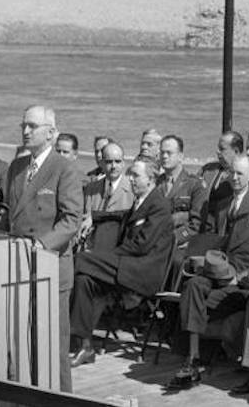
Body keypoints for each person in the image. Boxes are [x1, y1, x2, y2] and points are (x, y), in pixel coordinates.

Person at [169, 170, 249, 390]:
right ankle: (194, 356)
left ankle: (194, 361)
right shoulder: (242, 219)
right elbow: (225, 250)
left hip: (244, 285)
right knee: (193, 284)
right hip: (220, 274)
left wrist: (238, 278)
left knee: (197, 302)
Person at [5, 105, 83, 392]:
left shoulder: (65, 169)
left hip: (50, 267)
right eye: (23, 125)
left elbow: (71, 219)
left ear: (50, 133)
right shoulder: (15, 168)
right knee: (20, 341)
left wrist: (41, 244)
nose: (25, 131)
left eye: (32, 126)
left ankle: (62, 398)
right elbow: (8, 214)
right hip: (16, 265)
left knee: (53, 344)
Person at [70, 157, 173, 367]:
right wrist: (95, 217)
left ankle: (59, 305)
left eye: (136, 175)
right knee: (83, 279)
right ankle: (85, 346)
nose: (130, 179)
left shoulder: (159, 205)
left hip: (142, 272)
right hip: (126, 266)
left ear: (151, 179)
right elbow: (120, 215)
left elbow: (141, 246)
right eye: (130, 174)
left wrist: (112, 255)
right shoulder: (140, 201)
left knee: (81, 259)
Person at [77, 142, 134, 245]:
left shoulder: (133, 190)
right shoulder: (91, 188)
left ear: (123, 163)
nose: (113, 166)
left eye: (117, 161)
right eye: (109, 162)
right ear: (101, 163)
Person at [158, 134, 207, 246]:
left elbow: (196, 224)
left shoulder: (194, 184)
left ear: (180, 156)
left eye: (169, 153)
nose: (164, 156)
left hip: (180, 243)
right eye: (162, 152)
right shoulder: (156, 184)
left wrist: (173, 239)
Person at [198, 130, 243, 234]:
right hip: (203, 225)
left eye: (222, 149)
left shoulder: (244, 176)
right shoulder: (208, 169)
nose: (217, 151)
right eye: (218, 148)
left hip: (223, 229)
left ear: (236, 151)